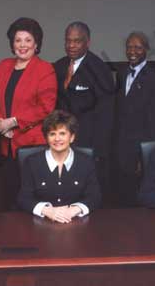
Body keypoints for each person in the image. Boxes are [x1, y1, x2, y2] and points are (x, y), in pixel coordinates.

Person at [0, 17, 57, 210]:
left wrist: (14, 121)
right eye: (18, 40)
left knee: (33, 201)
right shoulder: (4, 66)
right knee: (9, 199)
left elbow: (46, 107)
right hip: (6, 145)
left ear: (36, 44)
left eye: (28, 40)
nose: (22, 45)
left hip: (32, 146)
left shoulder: (45, 69)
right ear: (12, 44)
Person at [53, 21, 116, 203]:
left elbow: (106, 115)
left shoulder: (99, 69)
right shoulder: (59, 66)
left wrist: (99, 152)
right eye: (68, 41)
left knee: (86, 195)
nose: (71, 45)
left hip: (88, 144)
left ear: (87, 42)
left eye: (77, 41)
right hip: (62, 143)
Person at [113, 32, 155, 207]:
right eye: (129, 47)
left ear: (146, 49)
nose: (132, 51)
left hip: (139, 150)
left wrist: (143, 155)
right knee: (120, 197)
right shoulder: (122, 74)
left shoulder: (154, 80)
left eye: (138, 47)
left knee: (138, 201)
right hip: (121, 147)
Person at [17, 110, 101, 223]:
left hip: (75, 222)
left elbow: (95, 196)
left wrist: (75, 210)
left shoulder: (86, 162)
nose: (57, 139)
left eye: (62, 133)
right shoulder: (31, 162)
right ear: (46, 138)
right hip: (41, 224)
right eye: (52, 134)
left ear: (72, 137)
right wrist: (47, 211)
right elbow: (23, 198)